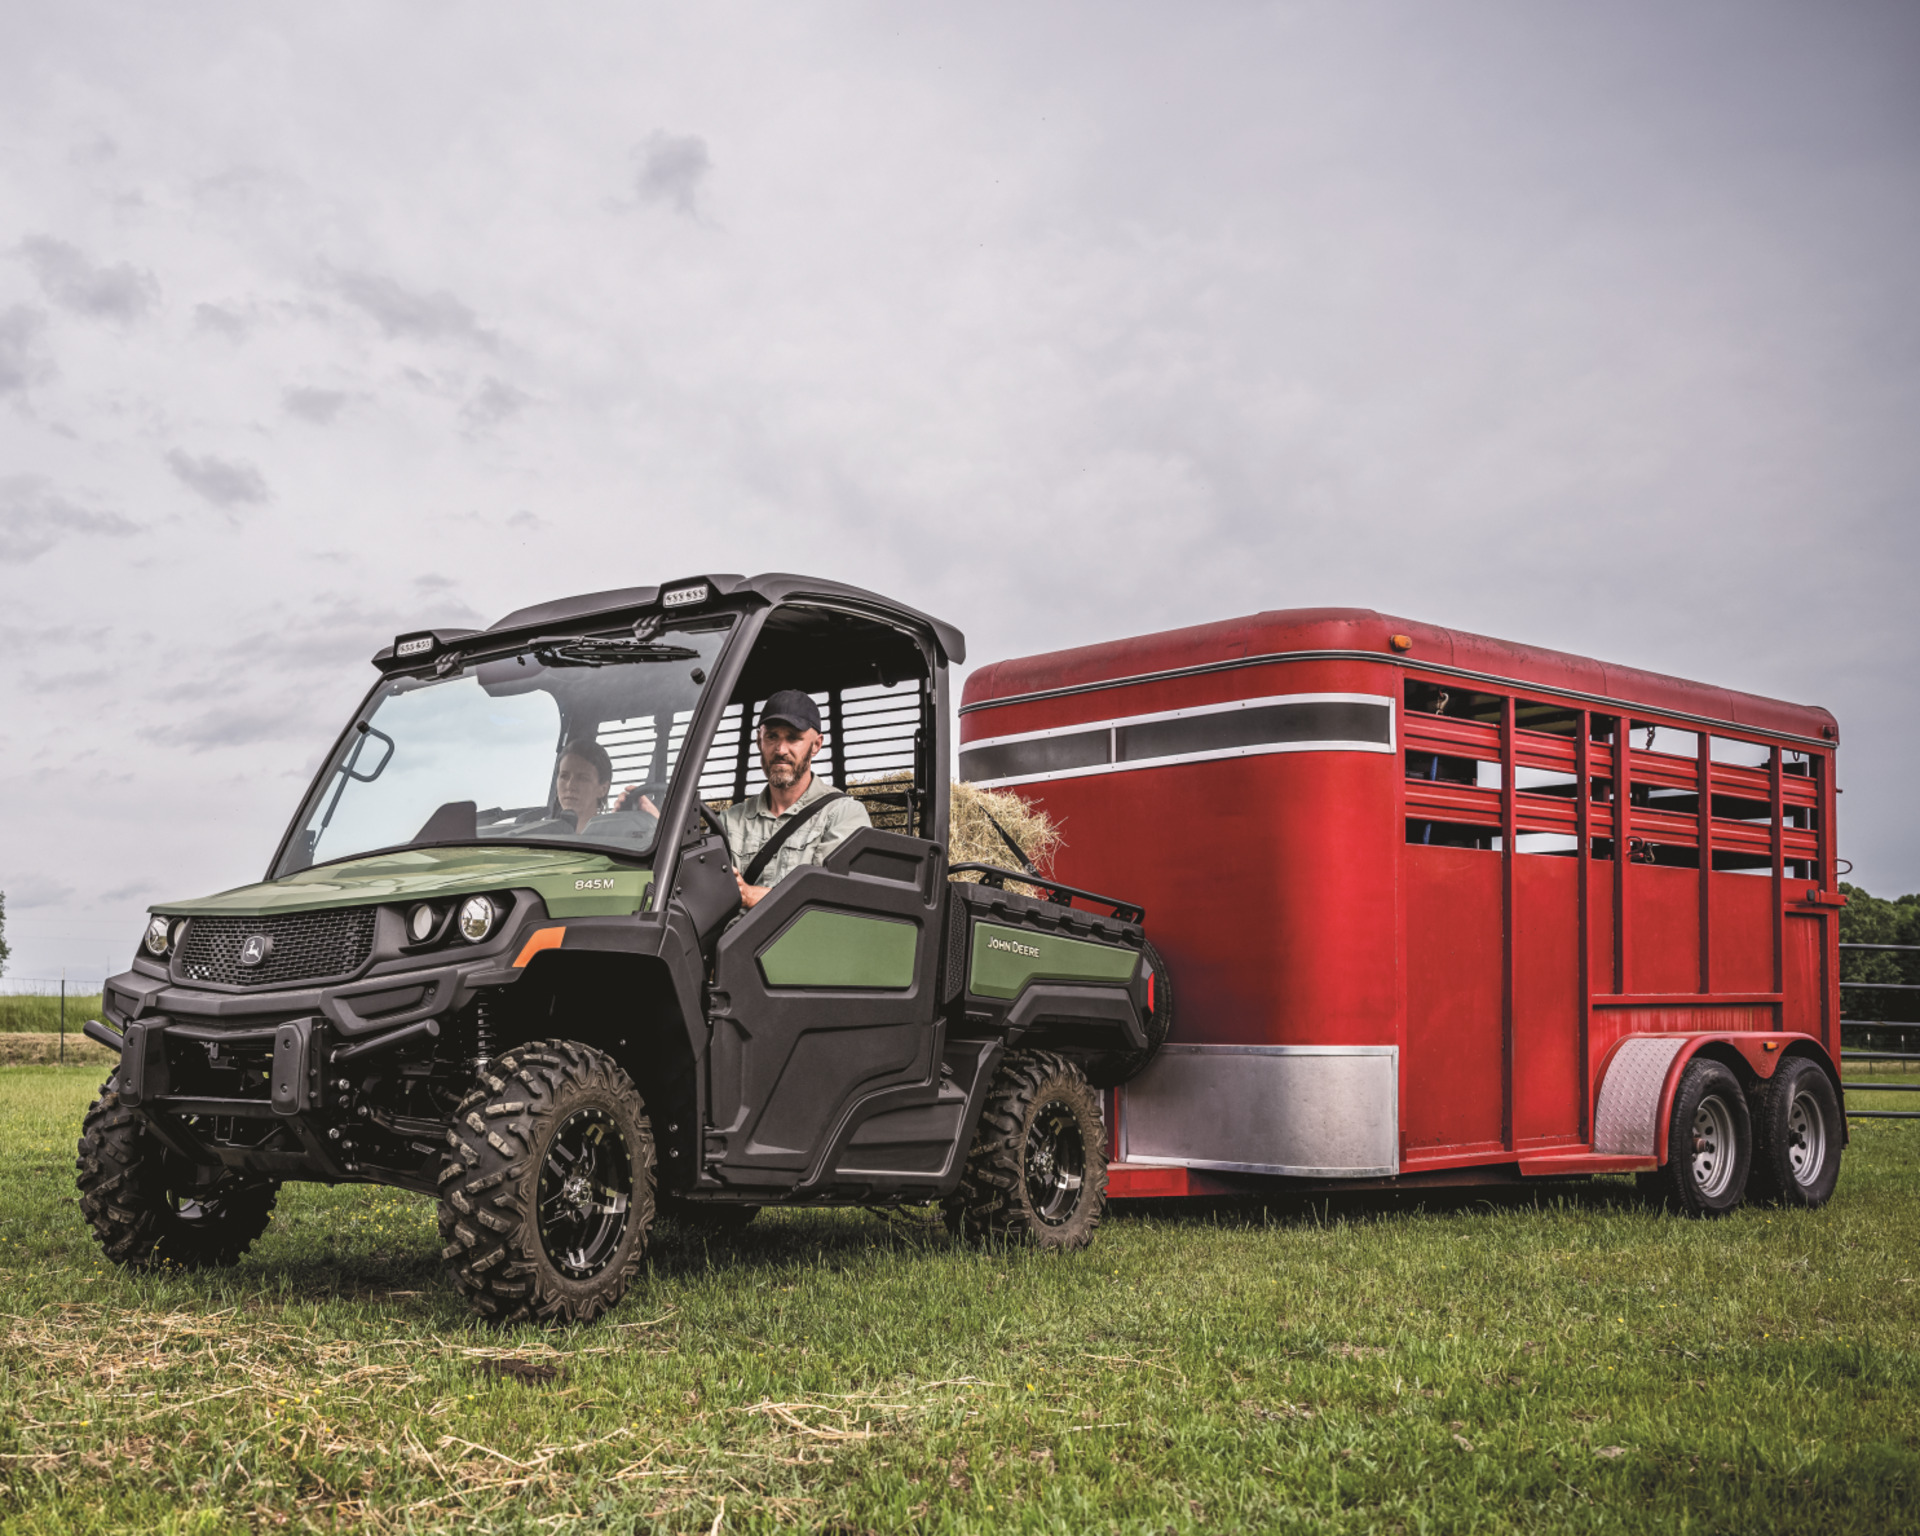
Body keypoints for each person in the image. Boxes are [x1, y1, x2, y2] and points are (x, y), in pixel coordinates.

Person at [719, 690, 870, 909]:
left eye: (793, 738)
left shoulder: (844, 815)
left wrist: (752, 895)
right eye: (772, 737)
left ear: (816, 745)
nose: (780, 750)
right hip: (730, 942)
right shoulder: (729, 821)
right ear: (759, 741)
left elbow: (834, 900)